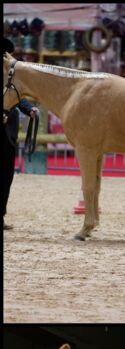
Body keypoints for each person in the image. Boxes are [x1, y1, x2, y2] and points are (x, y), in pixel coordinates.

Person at [3, 37, 40, 230]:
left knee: (7, 176)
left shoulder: (9, 76)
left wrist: (29, 109)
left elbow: (17, 97)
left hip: (8, 133)